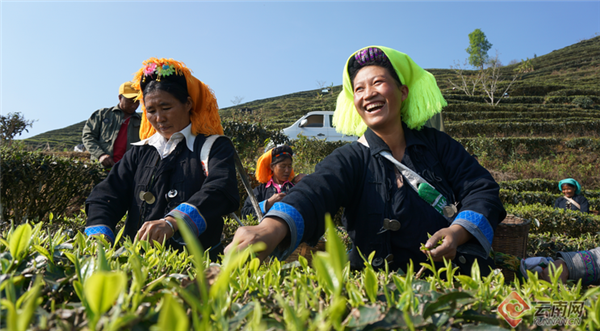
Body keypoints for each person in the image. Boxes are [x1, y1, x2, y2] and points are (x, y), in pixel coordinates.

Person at [226, 46, 506, 275]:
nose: (368, 93)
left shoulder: (438, 144)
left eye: (378, 82)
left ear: (403, 92)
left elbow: (481, 189)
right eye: (358, 89)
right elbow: (316, 191)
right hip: (378, 288)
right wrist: (271, 227)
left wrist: (457, 232)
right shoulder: (351, 157)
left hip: (449, 278)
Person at [84, 58, 239, 257]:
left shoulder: (213, 146)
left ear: (188, 104)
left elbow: (220, 189)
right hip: (138, 263)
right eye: (151, 111)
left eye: (166, 108)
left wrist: (173, 222)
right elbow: (107, 194)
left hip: (195, 266)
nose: (159, 118)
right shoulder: (140, 151)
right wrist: (100, 232)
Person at [82, 81, 142, 168]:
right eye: (130, 101)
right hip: (100, 170)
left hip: (128, 173)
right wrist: (100, 155)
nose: (134, 105)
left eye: (137, 101)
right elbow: (88, 136)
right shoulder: (102, 114)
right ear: (120, 98)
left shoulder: (142, 122)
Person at [241, 145, 305, 219]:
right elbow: (245, 214)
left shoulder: (295, 187)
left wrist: (308, 180)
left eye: (289, 166)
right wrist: (267, 204)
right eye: (283, 166)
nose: (287, 170)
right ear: (272, 167)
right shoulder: (261, 190)